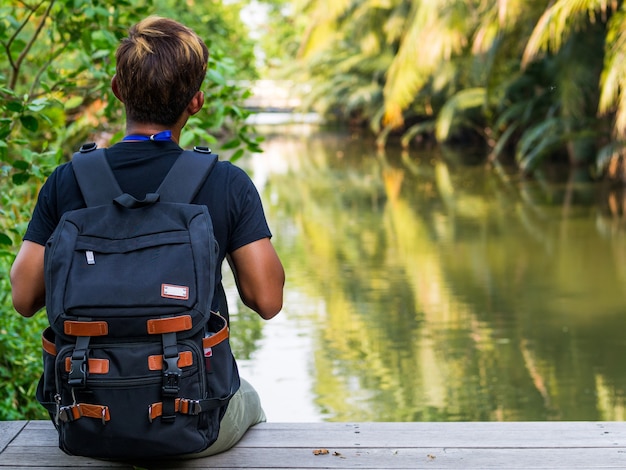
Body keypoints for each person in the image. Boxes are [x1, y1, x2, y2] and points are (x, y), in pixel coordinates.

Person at [9, 15, 285, 457]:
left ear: (118, 90)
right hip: (191, 420)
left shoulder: (67, 181)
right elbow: (267, 300)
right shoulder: (225, 182)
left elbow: (23, 296)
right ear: (195, 102)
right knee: (248, 398)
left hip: (86, 420)